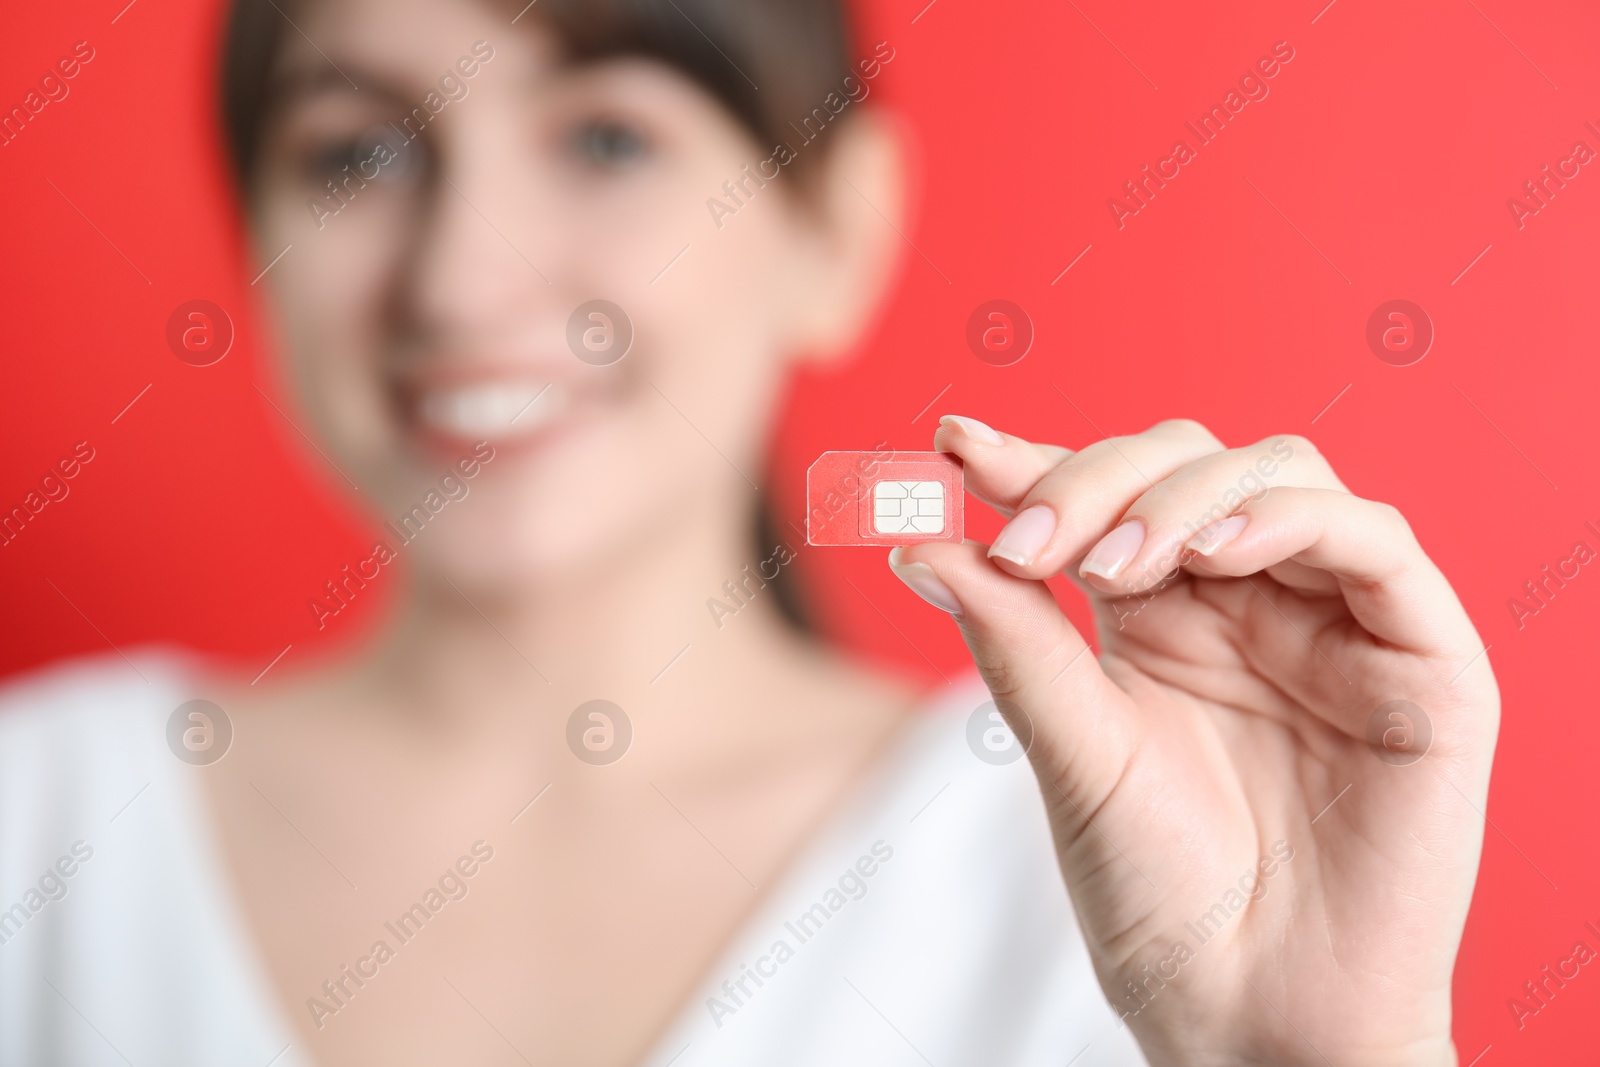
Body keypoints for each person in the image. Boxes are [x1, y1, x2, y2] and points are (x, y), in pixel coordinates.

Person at [0, 0, 1499, 1063]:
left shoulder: (1121, 852)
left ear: (834, 229)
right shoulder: (38, 818)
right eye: (356, 156)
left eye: (605, 139)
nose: (461, 278)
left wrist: (1327, 1064)